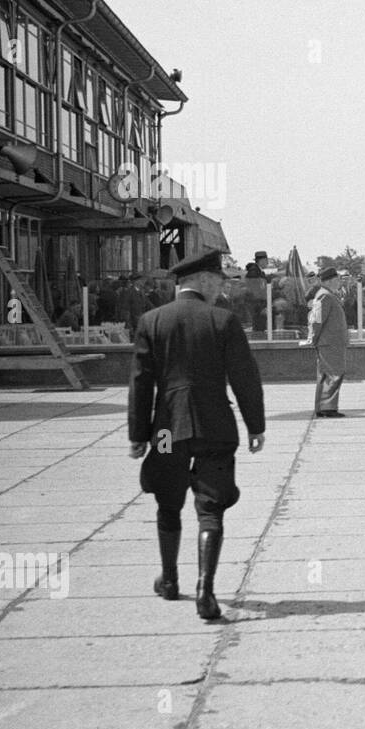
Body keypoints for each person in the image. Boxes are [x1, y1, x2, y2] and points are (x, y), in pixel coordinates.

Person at [127, 248, 265, 621]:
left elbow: (141, 384)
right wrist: (256, 425)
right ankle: (206, 589)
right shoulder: (223, 321)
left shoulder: (151, 321)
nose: (221, 287)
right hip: (214, 429)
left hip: (167, 432)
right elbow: (244, 378)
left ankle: (170, 579)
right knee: (211, 508)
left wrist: (138, 435)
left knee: (168, 501)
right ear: (202, 281)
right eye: (218, 280)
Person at [301, 268, 348, 415]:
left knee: (330, 374)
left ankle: (325, 407)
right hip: (329, 342)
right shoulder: (325, 296)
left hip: (331, 342)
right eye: (338, 279)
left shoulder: (327, 295)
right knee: (332, 374)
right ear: (330, 280)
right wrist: (313, 338)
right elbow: (317, 320)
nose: (340, 282)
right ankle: (327, 408)